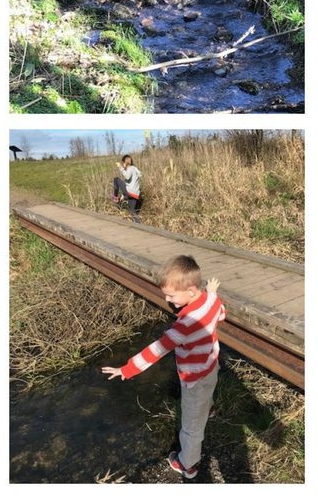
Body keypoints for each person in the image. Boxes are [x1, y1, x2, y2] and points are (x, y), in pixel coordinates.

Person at [102, 255, 225, 480]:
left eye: (170, 295)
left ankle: (188, 464)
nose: (167, 299)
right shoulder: (211, 301)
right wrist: (213, 291)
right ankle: (208, 409)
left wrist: (127, 369)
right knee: (207, 392)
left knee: (191, 428)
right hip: (211, 365)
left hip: (194, 378)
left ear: (190, 290)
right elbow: (221, 313)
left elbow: (156, 350)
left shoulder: (184, 325)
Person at [113, 154, 142, 223]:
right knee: (132, 210)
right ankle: (139, 224)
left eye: (123, 163)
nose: (123, 165)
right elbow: (128, 185)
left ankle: (115, 196)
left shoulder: (131, 168)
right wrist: (123, 196)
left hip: (130, 192)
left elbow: (127, 177)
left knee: (116, 179)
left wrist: (120, 167)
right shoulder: (135, 169)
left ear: (125, 163)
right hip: (135, 194)